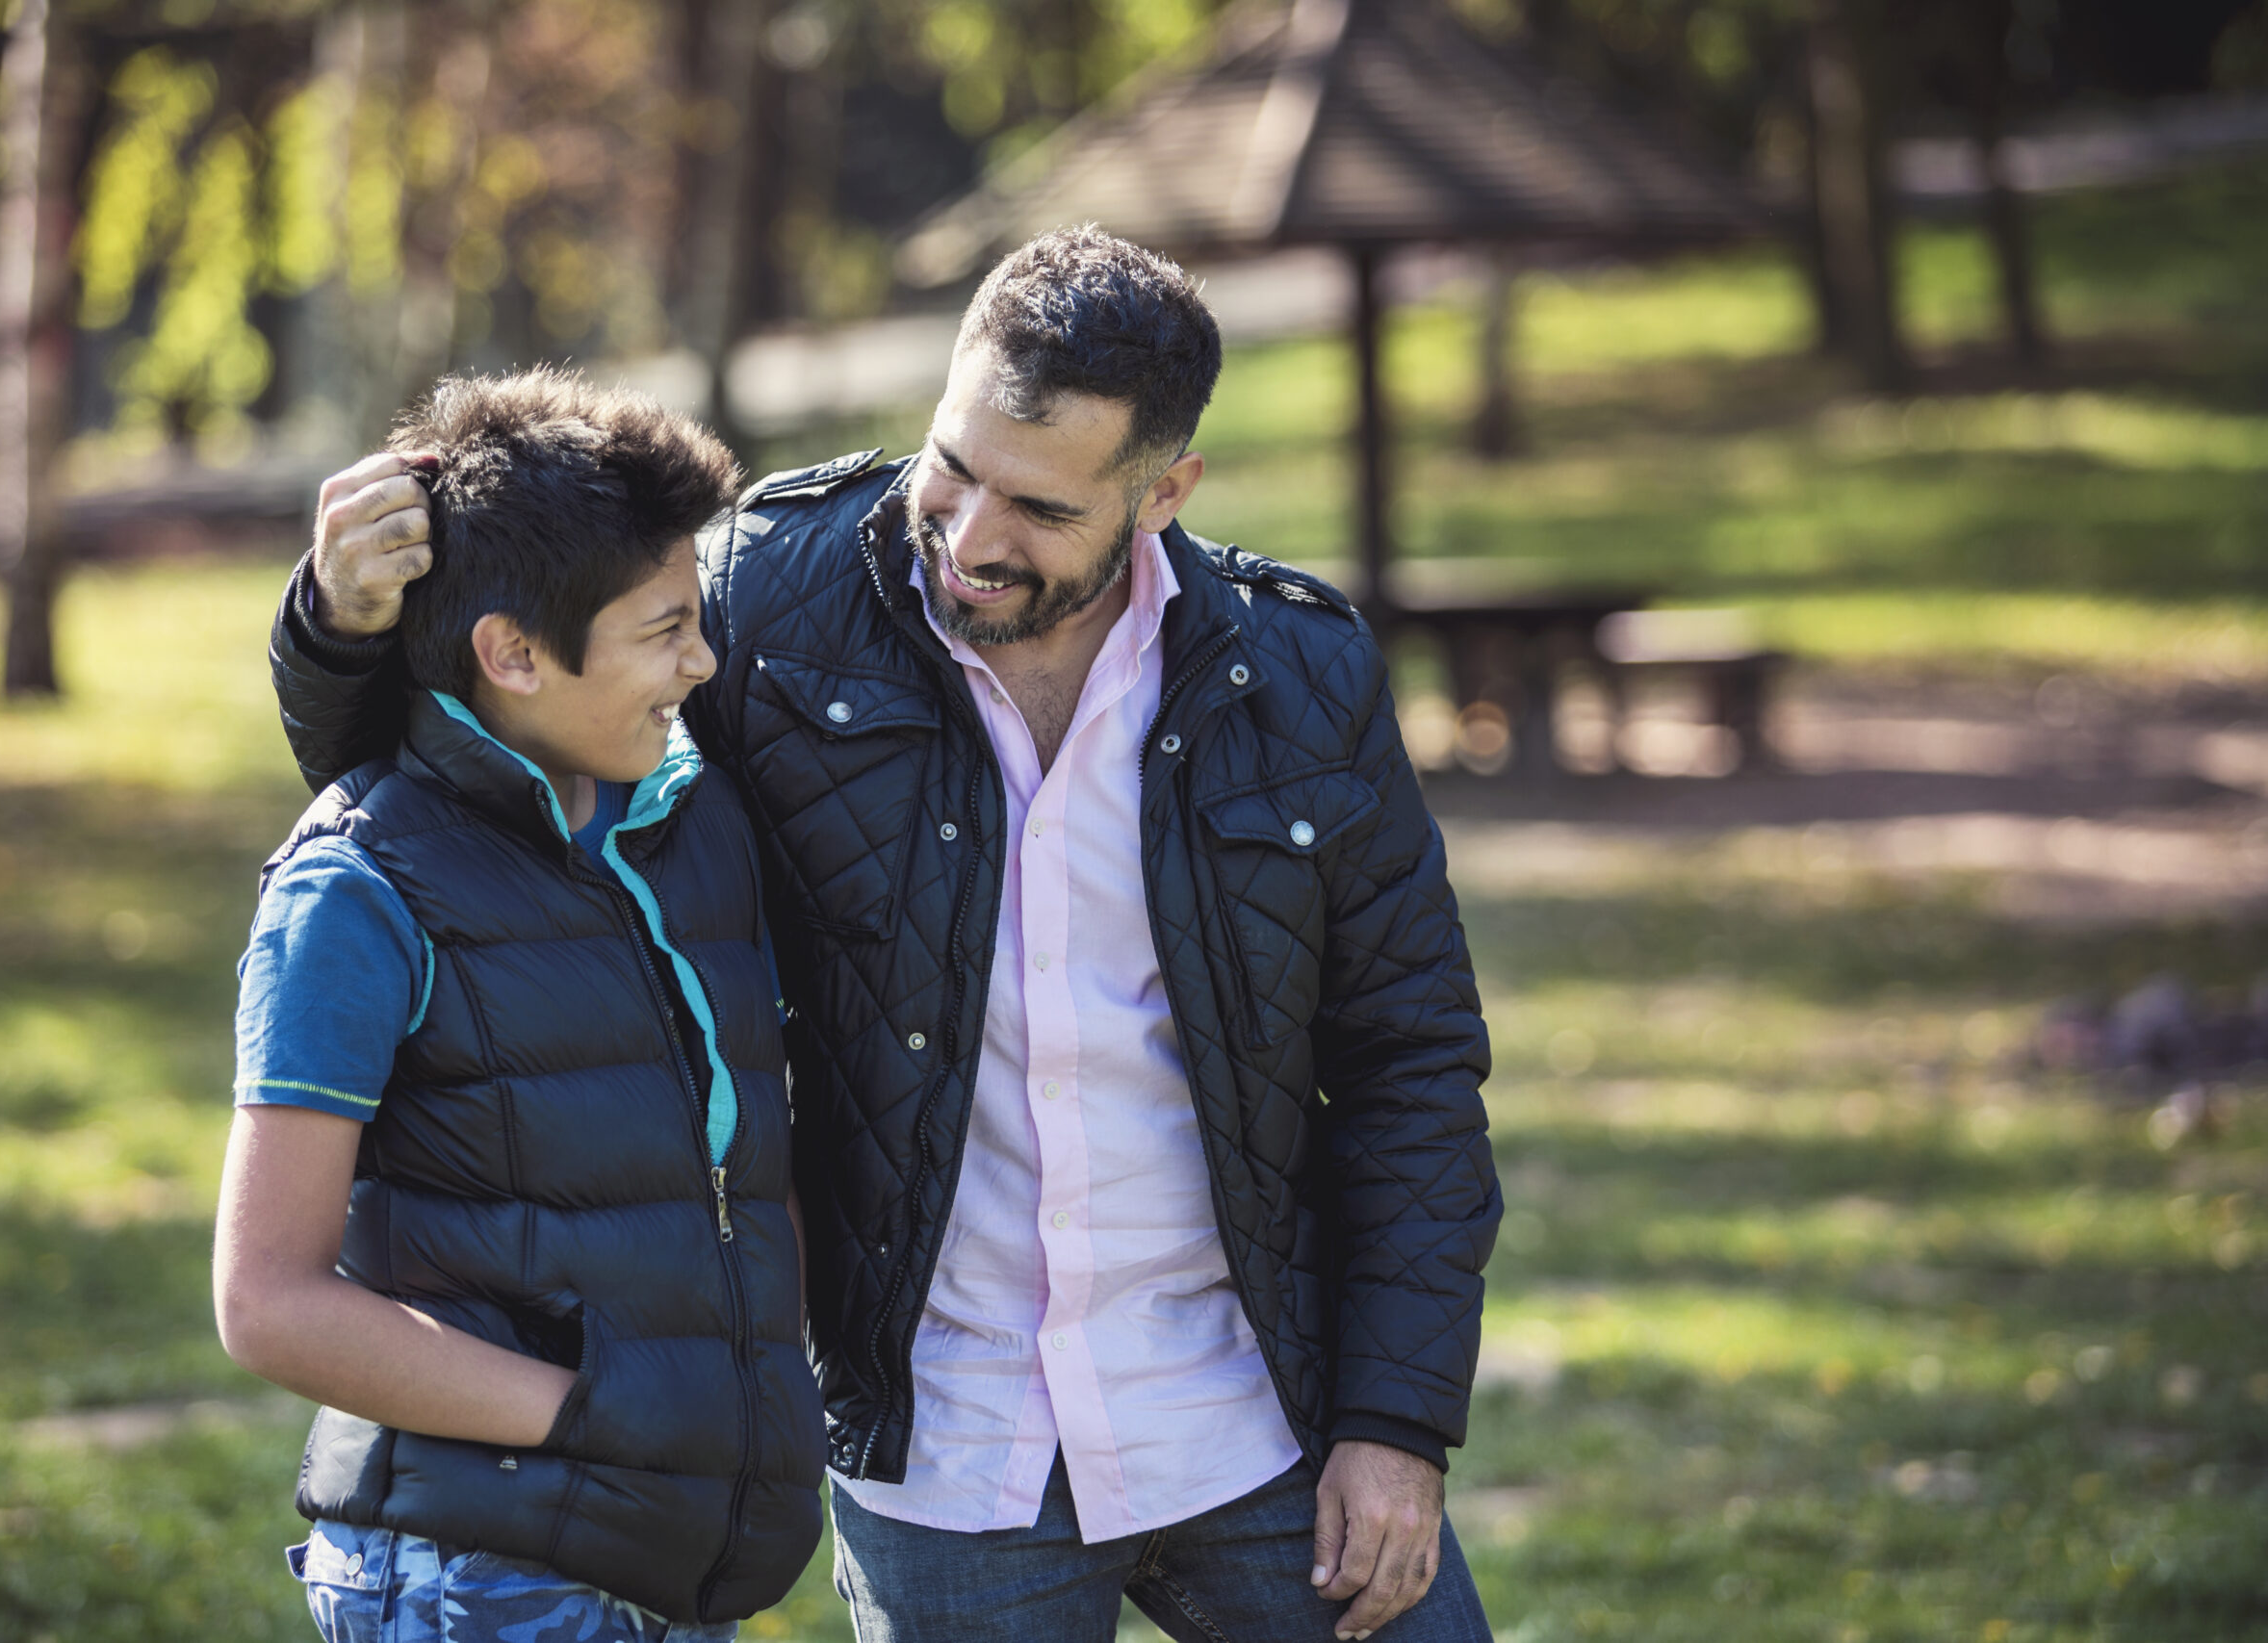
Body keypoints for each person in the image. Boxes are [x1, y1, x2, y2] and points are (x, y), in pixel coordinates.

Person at [271, 228, 1501, 1643]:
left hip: (1260, 1420)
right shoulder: (763, 602)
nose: (972, 537)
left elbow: (1409, 1062)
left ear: (1164, 492)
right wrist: (337, 628)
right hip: (947, 1454)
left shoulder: (1303, 673)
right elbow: (464, 772)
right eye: (954, 466)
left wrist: (1396, 1422)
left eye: (1038, 507)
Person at [214, 367, 822, 1643]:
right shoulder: (353, 896)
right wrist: (590, 1415)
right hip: (480, 1585)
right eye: (664, 633)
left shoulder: (681, 821)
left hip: (660, 1568)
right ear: (512, 654)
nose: (702, 664)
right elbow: (266, 1301)